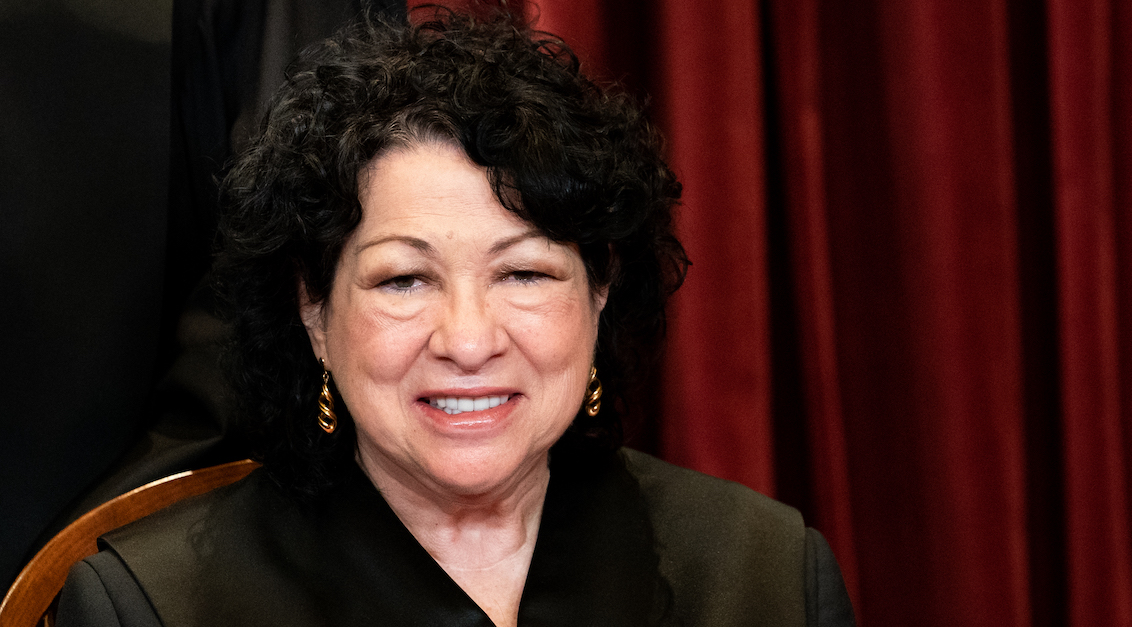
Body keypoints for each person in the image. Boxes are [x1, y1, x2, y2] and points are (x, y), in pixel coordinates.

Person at [56, 7, 855, 626]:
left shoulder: (768, 574)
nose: (468, 339)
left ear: (601, 288)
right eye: (404, 280)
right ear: (313, 309)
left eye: (524, 272)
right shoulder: (148, 606)